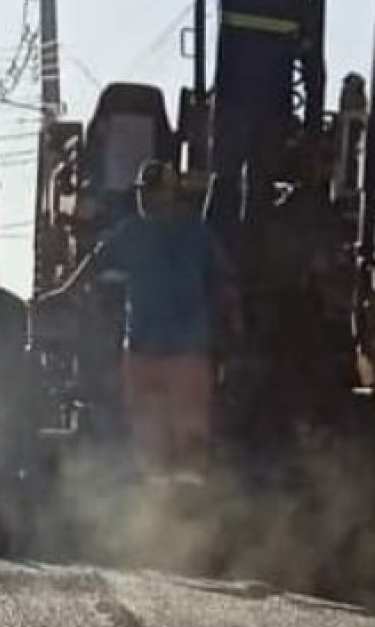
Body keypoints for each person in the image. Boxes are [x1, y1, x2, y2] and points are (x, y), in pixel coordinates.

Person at [38, 159, 238, 476]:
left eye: (154, 193)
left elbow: (224, 282)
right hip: (146, 352)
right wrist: (64, 291)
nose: (147, 199)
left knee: (187, 435)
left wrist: (232, 325)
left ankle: (187, 502)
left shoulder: (193, 235)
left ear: (171, 194)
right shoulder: (136, 232)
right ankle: (162, 503)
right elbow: (95, 262)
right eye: (145, 193)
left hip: (183, 353)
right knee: (151, 436)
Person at [190, 0, 312, 229]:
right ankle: (216, 260)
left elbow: (310, 48)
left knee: (261, 185)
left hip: (272, 106)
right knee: (225, 181)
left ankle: (252, 262)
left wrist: (312, 113)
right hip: (235, 102)